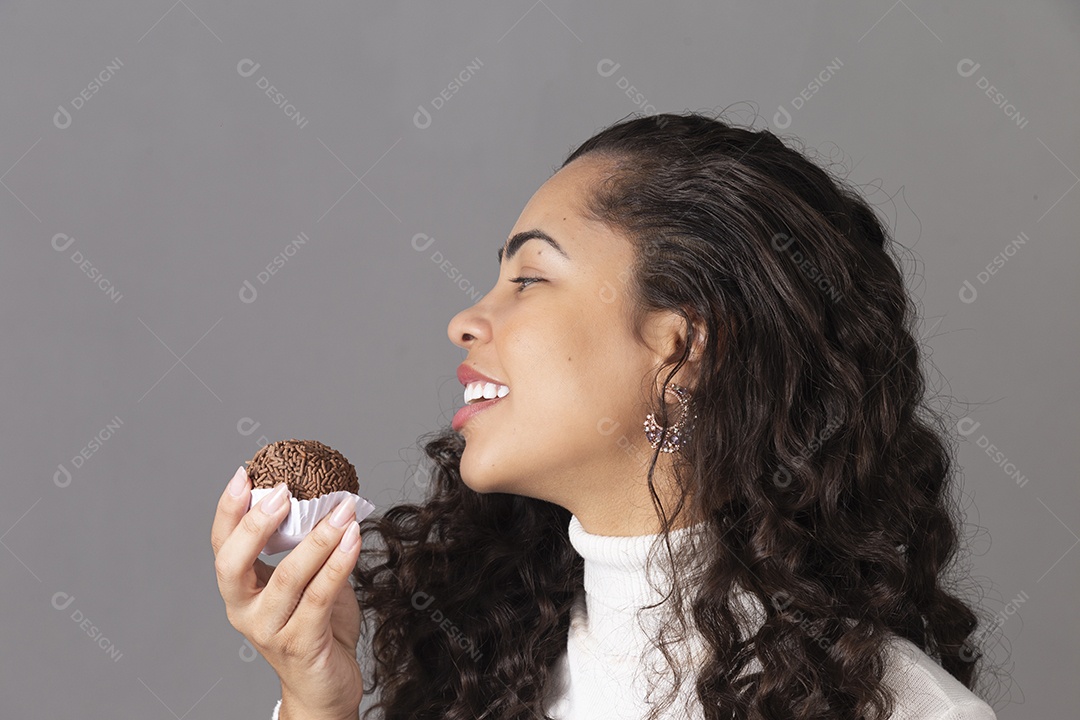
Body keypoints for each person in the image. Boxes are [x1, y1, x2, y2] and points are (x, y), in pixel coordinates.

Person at [211, 111, 1003, 720]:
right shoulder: (484, 664)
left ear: (680, 347)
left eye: (529, 278)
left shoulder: (905, 711)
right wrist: (318, 702)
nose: (465, 321)